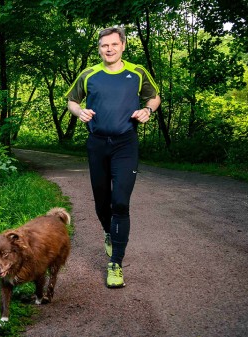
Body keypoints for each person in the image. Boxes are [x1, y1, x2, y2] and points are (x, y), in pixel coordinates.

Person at [66, 27, 161, 288]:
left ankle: (116, 263)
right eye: (104, 45)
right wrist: (79, 112)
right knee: (102, 201)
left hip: (125, 144)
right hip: (97, 145)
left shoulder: (137, 72)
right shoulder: (89, 74)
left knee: (120, 202)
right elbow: (71, 100)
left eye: (114, 44)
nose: (109, 49)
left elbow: (154, 97)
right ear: (99, 48)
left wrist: (147, 111)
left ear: (123, 46)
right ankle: (109, 232)